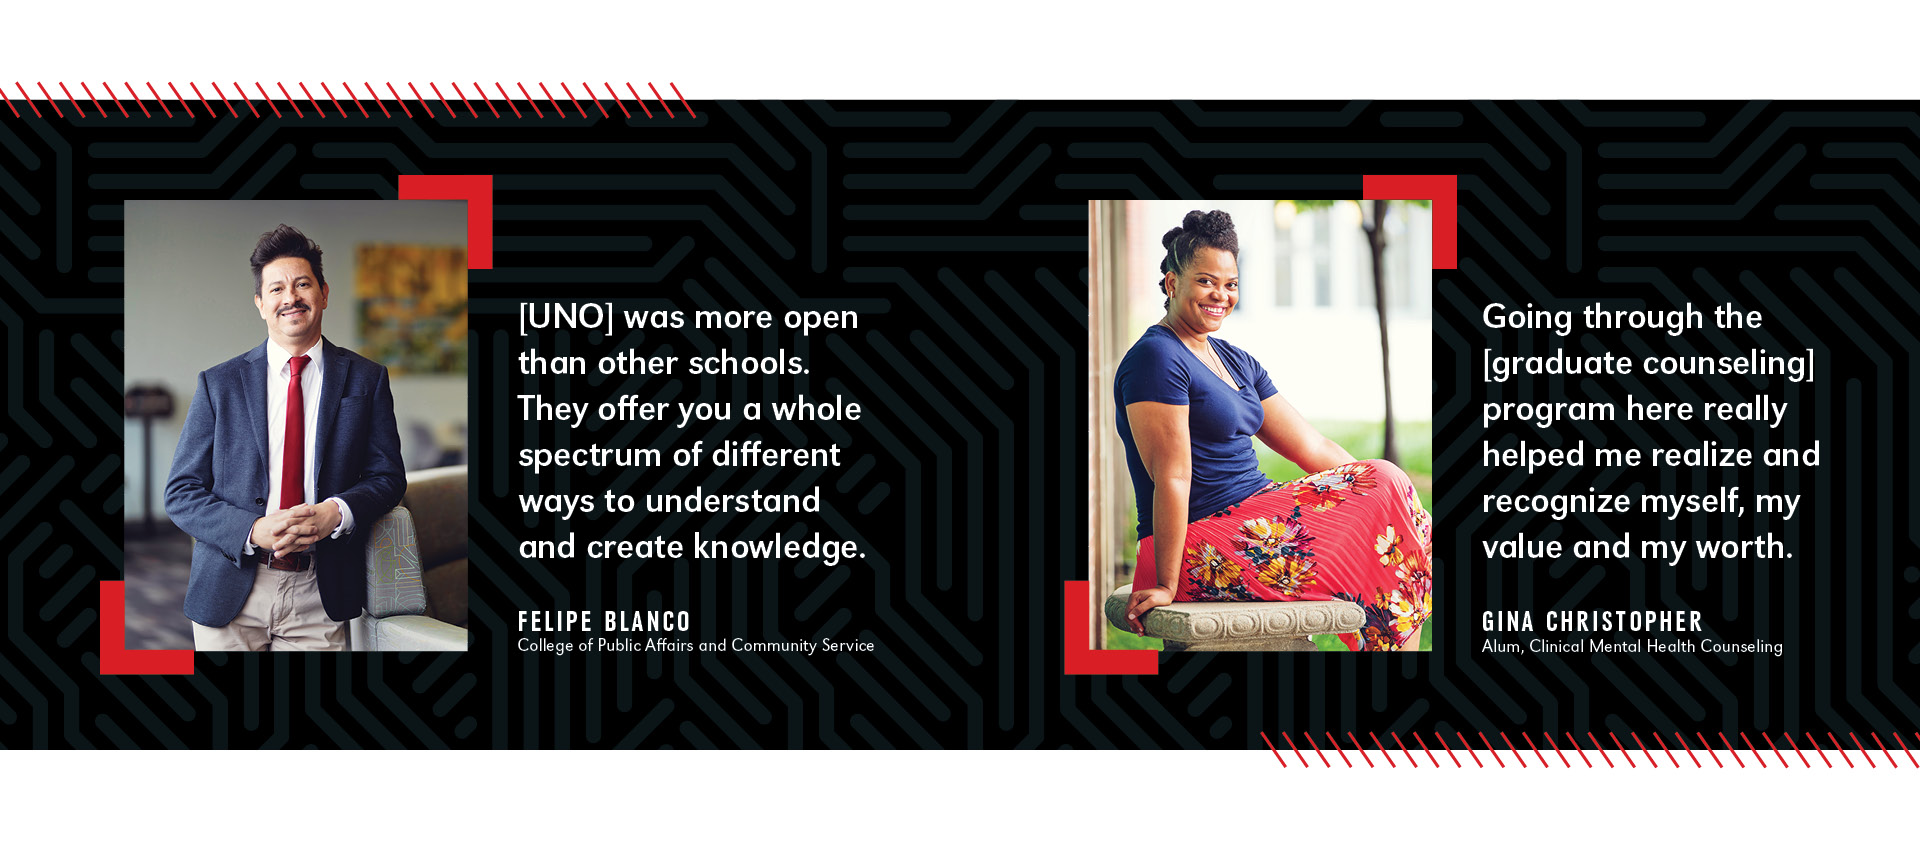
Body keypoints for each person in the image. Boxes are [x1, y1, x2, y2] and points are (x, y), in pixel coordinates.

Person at [1115, 209, 1433, 651]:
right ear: (1172, 283)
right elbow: (1172, 475)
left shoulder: (1234, 359)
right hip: (1198, 538)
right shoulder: (1157, 358)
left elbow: (1312, 446)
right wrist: (1166, 583)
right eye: (1206, 281)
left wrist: (1390, 506)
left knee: (1389, 507)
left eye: (1231, 284)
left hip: (1256, 517)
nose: (1220, 295)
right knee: (1388, 484)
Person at [165, 224, 405, 651]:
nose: (290, 297)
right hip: (231, 588)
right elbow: (182, 492)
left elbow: (388, 475)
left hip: (320, 592)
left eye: (302, 284)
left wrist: (337, 511)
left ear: (324, 293)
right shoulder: (218, 384)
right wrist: (253, 529)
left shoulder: (367, 379)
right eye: (276, 289)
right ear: (260, 304)